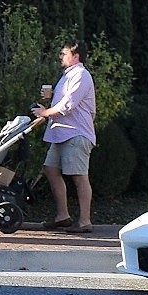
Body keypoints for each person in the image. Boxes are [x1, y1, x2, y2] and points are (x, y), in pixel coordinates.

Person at [34, 39, 97, 233]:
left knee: (79, 177)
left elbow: (68, 104)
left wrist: (46, 113)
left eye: (64, 54)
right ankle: (63, 216)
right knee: (50, 169)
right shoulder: (67, 76)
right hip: (60, 133)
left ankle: (85, 221)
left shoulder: (81, 75)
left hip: (75, 134)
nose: (61, 57)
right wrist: (51, 96)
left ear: (75, 56)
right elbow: (63, 100)